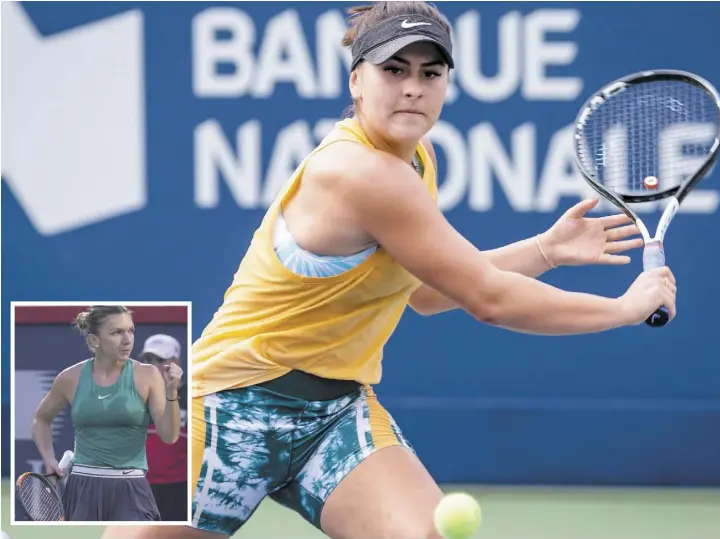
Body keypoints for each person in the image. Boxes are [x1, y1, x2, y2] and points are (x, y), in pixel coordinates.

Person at [100, 1, 675, 538]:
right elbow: (489, 299)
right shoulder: (362, 173)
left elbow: (422, 291)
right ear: (356, 81)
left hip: (333, 417)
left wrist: (546, 249)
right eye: (393, 70)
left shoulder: (416, 158)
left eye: (430, 74)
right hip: (227, 406)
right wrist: (624, 309)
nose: (412, 88)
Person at [31, 305, 183, 521]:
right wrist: (49, 458)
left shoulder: (147, 375)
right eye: (116, 333)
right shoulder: (70, 377)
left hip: (131, 487)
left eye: (130, 331)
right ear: (94, 340)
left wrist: (171, 393)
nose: (127, 339)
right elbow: (41, 419)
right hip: (82, 486)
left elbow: (169, 436)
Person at [141, 334, 189, 522]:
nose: (153, 366)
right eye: (148, 360)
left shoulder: (194, 397)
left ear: (176, 363)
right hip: (141, 488)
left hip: (179, 491)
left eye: (160, 360)